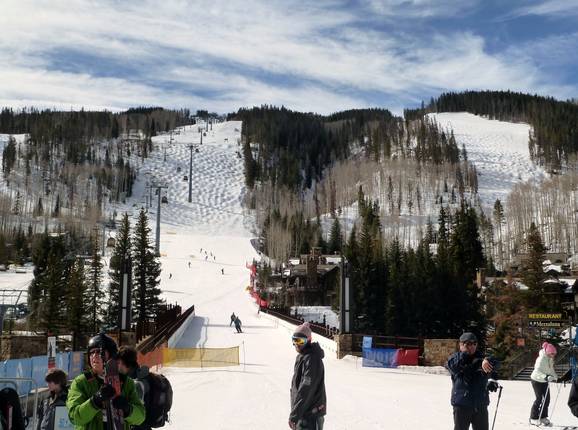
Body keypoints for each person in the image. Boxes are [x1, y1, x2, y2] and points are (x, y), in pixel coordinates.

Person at [66, 333, 145, 430]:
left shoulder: (126, 382)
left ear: (111, 354)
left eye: (99, 352)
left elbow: (140, 416)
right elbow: (75, 417)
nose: (94, 355)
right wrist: (94, 401)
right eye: (91, 352)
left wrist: (128, 409)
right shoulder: (81, 382)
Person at [447, 332, 498, 430]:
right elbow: (454, 367)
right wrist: (464, 354)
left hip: (480, 404)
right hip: (462, 404)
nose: (472, 346)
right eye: (468, 344)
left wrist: (487, 361)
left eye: (474, 343)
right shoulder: (454, 358)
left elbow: (496, 364)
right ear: (461, 345)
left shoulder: (481, 359)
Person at [289, 322, 326, 430]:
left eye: (300, 341)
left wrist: (295, 415)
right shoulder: (302, 357)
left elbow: (306, 389)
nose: (297, 344)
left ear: (308, 340)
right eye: (295, 340)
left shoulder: (312, 359)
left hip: (311, 415)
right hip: (304, 413)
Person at [117, 346, 150, 430]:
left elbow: (137, 415)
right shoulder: (138, 375)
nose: (118, 367)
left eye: (119, 363)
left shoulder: (136, 383)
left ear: (128, 365)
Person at [530, 342, 558, 426]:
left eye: (554, 354)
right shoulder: (541, 359)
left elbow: (551, 369)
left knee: (547, 399)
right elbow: (537, 371)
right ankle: (533, 418)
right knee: (539, 399)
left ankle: (543, 417)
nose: (553, 355)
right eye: (552, 354)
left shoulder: (550, 359)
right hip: (536, 380)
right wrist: (545, 376)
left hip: (544, 381)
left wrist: (555, 376)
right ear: (548, 352)